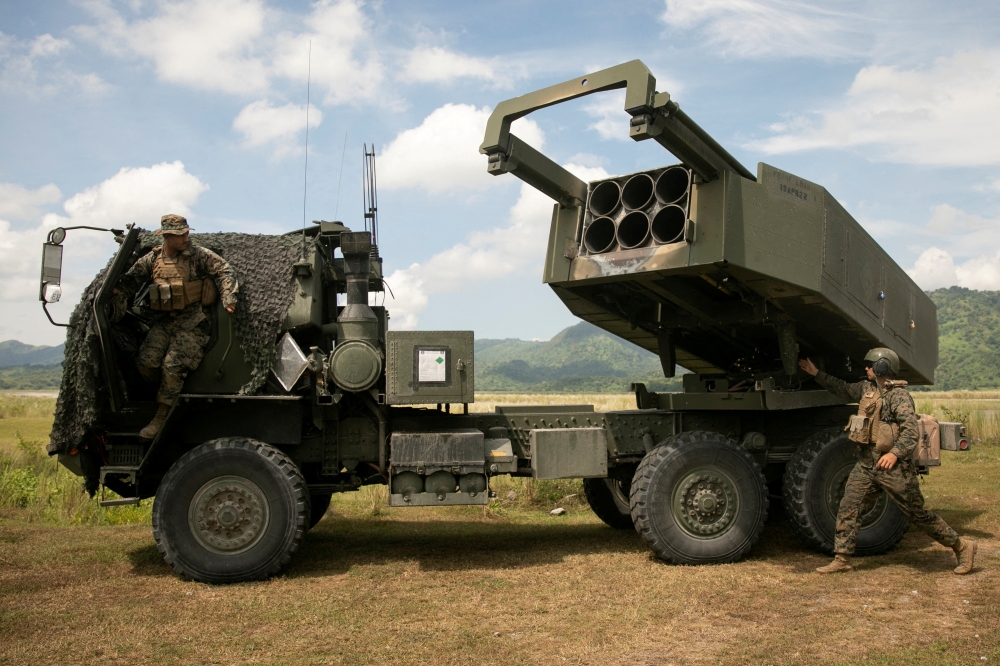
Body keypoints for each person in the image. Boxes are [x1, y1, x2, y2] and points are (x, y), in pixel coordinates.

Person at [798, 348, 977, 575]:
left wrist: (894, 454)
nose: (866, 368)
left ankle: (962, 547)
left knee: (917, 514)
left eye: (870, 365)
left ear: (882, 367)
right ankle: (842, 559)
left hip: (894, 468)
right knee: (849, 506)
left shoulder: (898, 397)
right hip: (867, 464)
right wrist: (816, 373)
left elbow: (910, 432)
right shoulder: (867, 389)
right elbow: (842, 388)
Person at [115, 214, 239, 439]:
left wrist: (228, 297)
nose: (185, 238)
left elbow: (224, 270)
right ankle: (170, 391)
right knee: (146, 363)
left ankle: (162, 415)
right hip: (164, 321)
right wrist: (117, 294)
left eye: (186, 233)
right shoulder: (153, 259)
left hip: (193, 322)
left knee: (172, 366)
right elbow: (131, 281)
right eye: (180, 235)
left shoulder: (197, 255)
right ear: (166, 236)